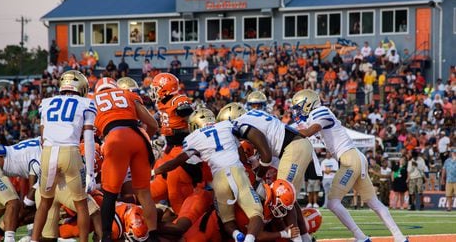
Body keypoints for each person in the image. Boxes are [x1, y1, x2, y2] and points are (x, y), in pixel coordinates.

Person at [293, 89, 408, 242]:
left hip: (349, 158)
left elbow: (308, 132)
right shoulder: (316, 115)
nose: (297, 111)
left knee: (333, 203)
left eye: (299, 107)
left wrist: (293, 130)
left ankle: (360, 236)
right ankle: (399, 237)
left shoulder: (320, 111)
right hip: (354, 156)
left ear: (308, 104)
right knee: (373, 201)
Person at [155, 108, 268, 242]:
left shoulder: (193, 139)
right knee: (256, 212)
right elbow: (243, 157)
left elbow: (175, 162)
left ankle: (148, 227)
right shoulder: (227, 127)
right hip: (225, 181)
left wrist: (153, 172)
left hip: (217, 182)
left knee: (227, 221)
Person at [217, 102, 317, 242]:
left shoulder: (241, 125)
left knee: (282, 194)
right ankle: (304, 238)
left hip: (293, 148)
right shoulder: (251, 116)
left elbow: (266, 156)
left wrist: (258, 177)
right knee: (290, 200)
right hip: (295, 146)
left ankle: (297, 239)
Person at [31, 70, 97, 242]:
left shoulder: (46, 103)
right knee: (81, 205)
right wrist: (90, 172)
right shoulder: (86, 103)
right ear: (81, 87)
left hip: (48, 152)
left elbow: (43, 137)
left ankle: (33, 240)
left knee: (44, 203)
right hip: (70, 152)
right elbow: (89, 139)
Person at [92, 77, 159, 242]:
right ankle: (153, 236)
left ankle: (106, 236)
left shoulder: (91, 100)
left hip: (115, 138)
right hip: (138, 137)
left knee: (110, 194)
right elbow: (153, 124)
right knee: (144, 193)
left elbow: (88, 133)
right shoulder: (127, 94)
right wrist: (144, 141)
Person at [150, 73, 195, 214]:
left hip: (183, 148)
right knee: (159, 184)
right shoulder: (162, 103)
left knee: (176, 189)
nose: (154, 91)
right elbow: (160, 116)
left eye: (156, 88)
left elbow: (192, 119)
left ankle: (184, 217)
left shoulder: (179, 101)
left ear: (165, 89)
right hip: (170, 148)